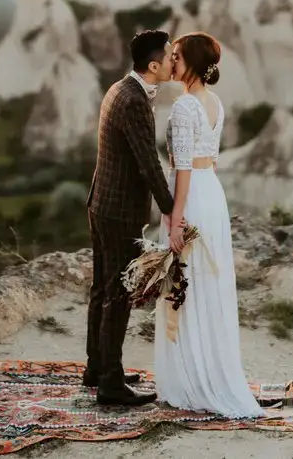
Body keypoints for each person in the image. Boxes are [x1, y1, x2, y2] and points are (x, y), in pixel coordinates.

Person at [154, 31, 263, 418]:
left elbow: (182, 168)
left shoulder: (185, 107)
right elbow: (208, 162)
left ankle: (191, 380)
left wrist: (176, 218)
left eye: (177, 56)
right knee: (204, 285)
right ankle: (207, 371)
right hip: (211, 193)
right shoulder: (214, 102)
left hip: (193, 196)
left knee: (187, 283)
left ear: (193, 63)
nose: (171, 61)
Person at [85, 29, 177, 406]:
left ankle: (98, 367)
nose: (174, 60)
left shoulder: (119, 88)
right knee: (118, 293)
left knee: (103, 288)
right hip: (119, 210)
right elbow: (147, 162)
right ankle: (109, 383)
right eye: (170, 56)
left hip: (102, 203)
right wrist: (172, 207)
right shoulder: (134, 101)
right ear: (154, 65)